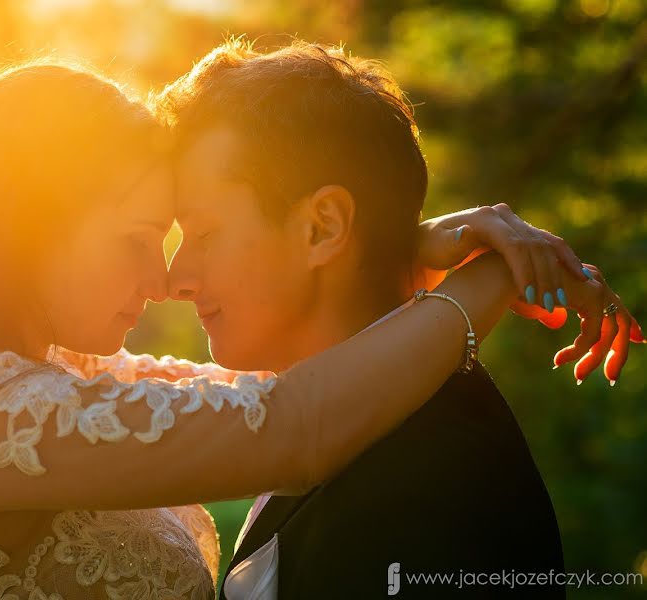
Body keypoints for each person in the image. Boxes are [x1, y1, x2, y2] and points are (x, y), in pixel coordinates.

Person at [0, 57, 636, 600]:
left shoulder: (39, 377)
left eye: (190, 236)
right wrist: (484, 280)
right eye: (137, 239)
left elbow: (276, 396)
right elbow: (291, 423)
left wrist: (392, 243)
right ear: (25, 225)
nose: (165, 281)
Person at [156, 39, 639, 598]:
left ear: (322, 228)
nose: (175, 278)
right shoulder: (359, 416)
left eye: (205, 234)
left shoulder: (436, 480)